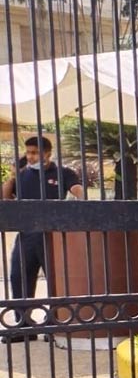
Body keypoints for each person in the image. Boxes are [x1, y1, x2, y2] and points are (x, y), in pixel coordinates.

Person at [3, 135, 84, 336]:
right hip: (27, 234)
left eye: (34, 153)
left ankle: (54, 325)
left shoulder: (63, 173)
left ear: (47, 153)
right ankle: (23, 326)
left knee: (56, 279)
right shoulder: (22, 175)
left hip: (52, 236)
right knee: (19, 277)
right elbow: (5, 198)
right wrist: (13, 175)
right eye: (28, 152)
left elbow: (78, 190)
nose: (30, 157)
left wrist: (80, 205)